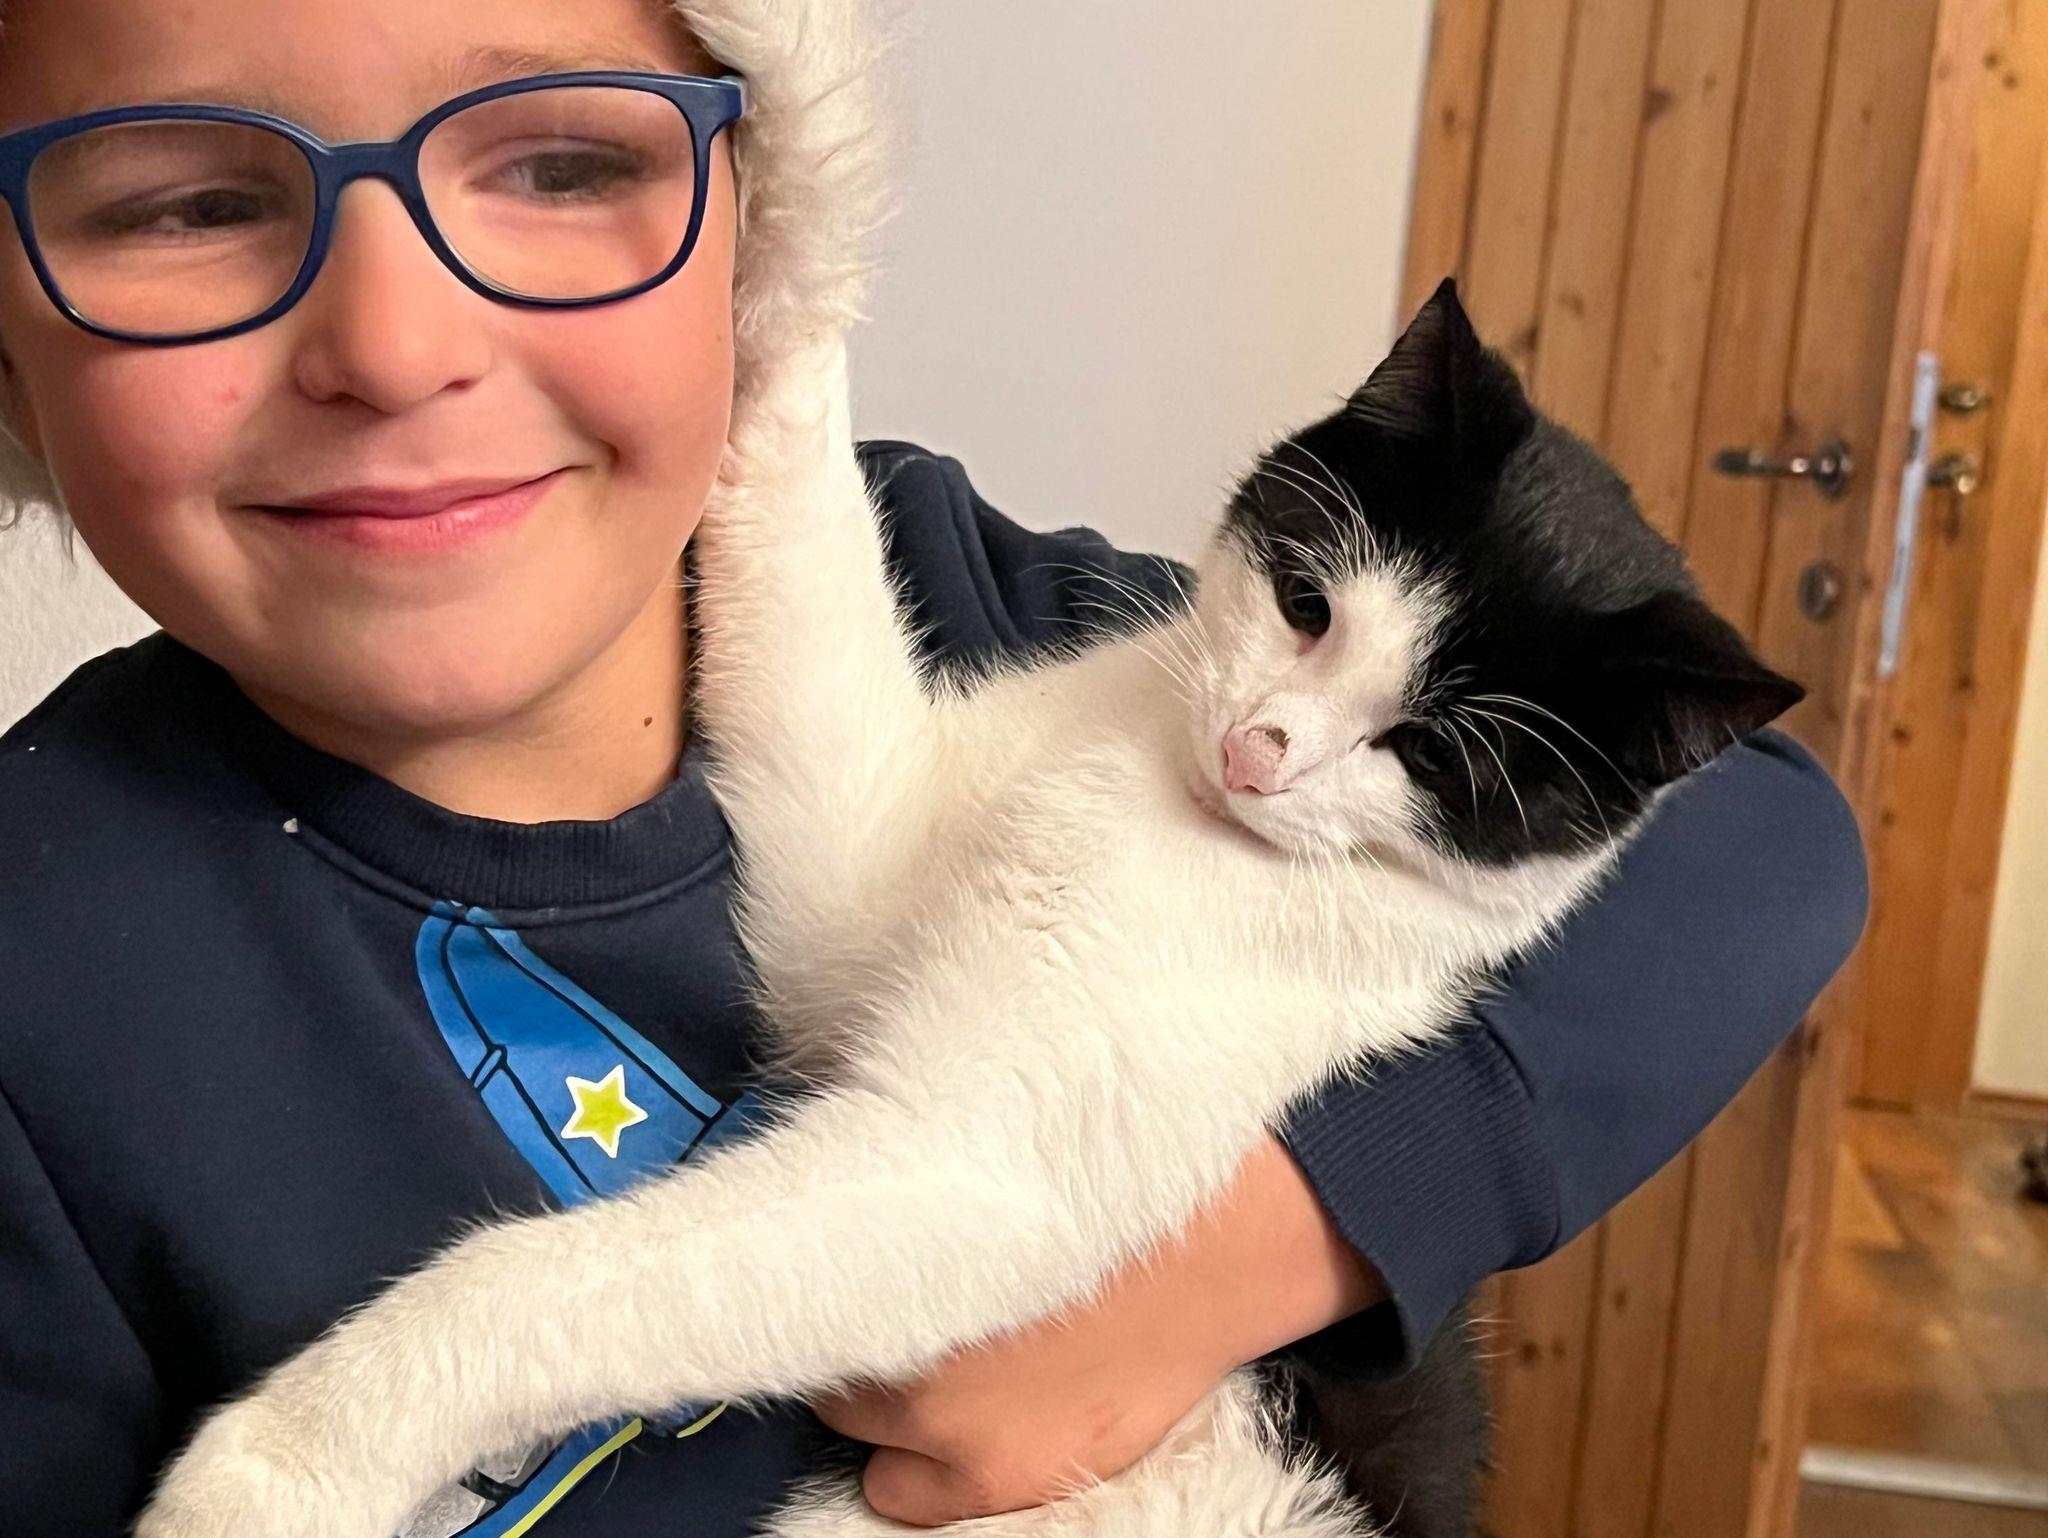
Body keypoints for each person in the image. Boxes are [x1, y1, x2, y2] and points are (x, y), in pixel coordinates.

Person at [0, 0, 1869, 1534]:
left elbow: (1771, 845)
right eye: (185, 202)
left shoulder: (969, 589)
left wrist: (1271, 1230)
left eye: (563, 162)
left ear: (758, 210)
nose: (398, 346)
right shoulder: (49, 970)